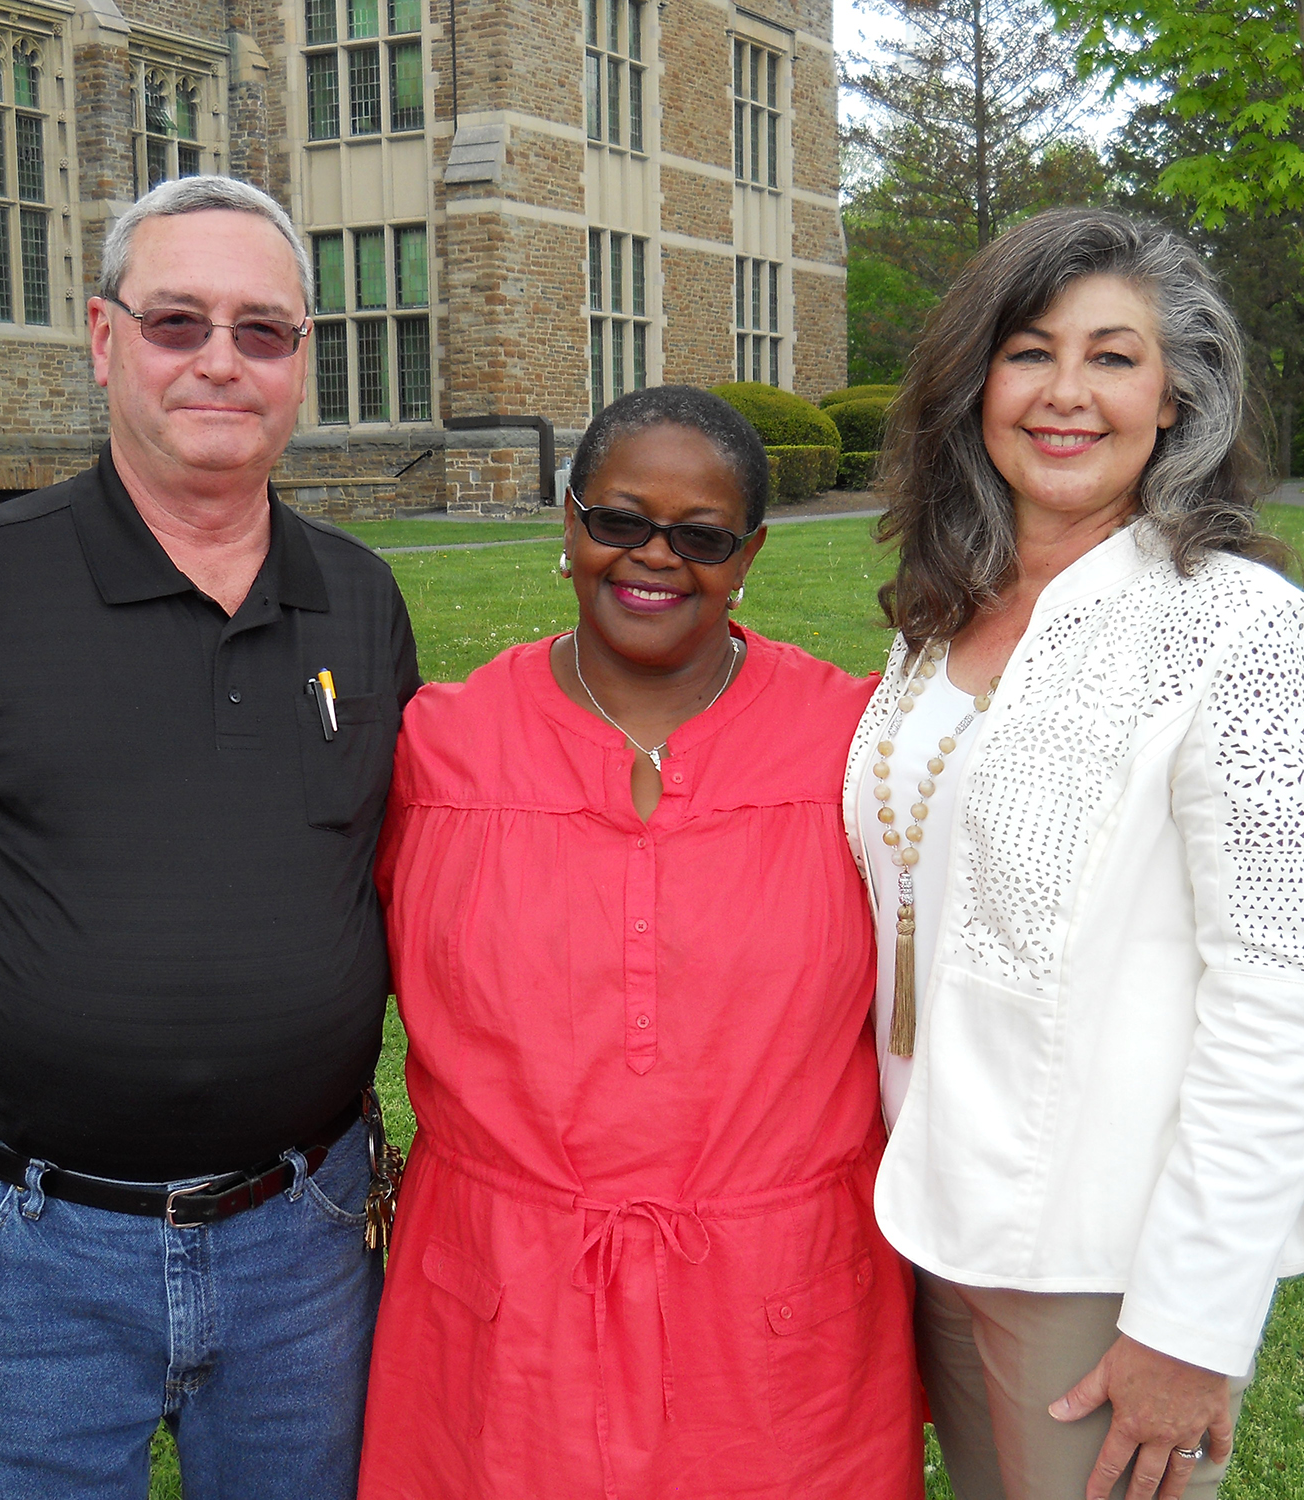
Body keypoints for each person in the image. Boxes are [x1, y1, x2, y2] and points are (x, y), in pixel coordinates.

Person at [0, 175, 418, 1498]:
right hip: (24, 1255)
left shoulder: (359, 600)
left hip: (304, 1243)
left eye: (263, 330)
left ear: (303, 358)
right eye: (178, 322)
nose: (221, 360)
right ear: (105, 340)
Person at [846, 208, 1304, 1500]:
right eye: (1029, 353)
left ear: (1177, 391)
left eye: (1113, 357)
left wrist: (1192, 1325)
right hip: (922, 1214)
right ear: (976, 387)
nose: (1065, 394)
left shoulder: (1249, 637)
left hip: (1099, 1261)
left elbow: (1283, 1011)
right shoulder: (942, 619)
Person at [358, 386, 926, 1500]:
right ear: (567, 524)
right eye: (618, 521)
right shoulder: (440, 745)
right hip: (499, 1306)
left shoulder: (855, 744)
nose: (653, 558)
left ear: (749, 550)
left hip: (777, 1315)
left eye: (701, 536)